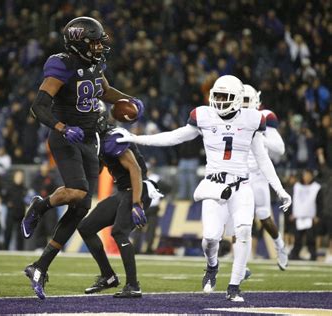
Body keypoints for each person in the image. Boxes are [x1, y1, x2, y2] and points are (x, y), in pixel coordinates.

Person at [117, 75, 291, 302]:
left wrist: (280, 189)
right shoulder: (204, 116)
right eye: (216, 95)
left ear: (237, 99)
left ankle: (234, 287)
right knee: (210, 239)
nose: (219, 101)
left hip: (242, 185)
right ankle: (212, 266)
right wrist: (135, 138)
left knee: (244, 232)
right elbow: (174, 137)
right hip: (214, 185)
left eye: (224, 97)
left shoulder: (252, 119)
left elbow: (263, 159)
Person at [20, 17, 144, 299]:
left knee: (81, 207)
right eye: (94, 41)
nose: (99, 46)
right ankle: (41, 205)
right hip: (66, 137)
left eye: (100, 41)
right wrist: (62, 127)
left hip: (89, 140)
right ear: (77, 42)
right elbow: (38, 107)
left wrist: (129, 99)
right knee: (76, 191)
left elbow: (105, 90)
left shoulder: (96, 63)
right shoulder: (61, 64)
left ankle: (40, 266)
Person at [78, 116, 162, 298]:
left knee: (119, 232)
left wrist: (137, 203)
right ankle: (108, 276)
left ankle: (133, 285)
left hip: (138, 188)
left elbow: (135, 170)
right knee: (85, 227)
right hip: (124, 190)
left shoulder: (112, 139)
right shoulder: (100, 140)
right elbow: (98, 168)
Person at [242, 84, 288, 270]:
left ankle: (280, 245)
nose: (242, 104)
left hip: (259, 173)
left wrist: (260, 138)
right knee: (241, 218)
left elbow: (280, 148)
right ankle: (242, 264)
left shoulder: (264, 117)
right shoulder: (231, 117)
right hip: (240, 172)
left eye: (245, 100)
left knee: (264, 217)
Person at [289, 169, 322, 260]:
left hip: (310, 217)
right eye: (305, 175)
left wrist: (318, 216)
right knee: (297, 238)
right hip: (298, 217)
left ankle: (313, 255)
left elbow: (320, 203)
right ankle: (295, 255)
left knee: (310, 238)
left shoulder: (316, 187)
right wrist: (292, 213)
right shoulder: (297, 186)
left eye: (308, 175)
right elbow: (293, 200)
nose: (306, 177)